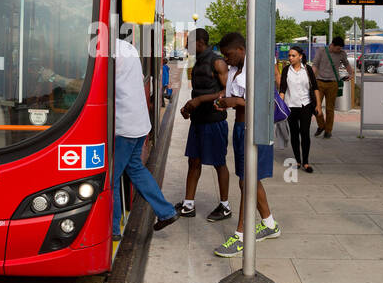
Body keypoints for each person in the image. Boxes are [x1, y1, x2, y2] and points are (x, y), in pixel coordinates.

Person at [213, 32, 279, 257]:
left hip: (256, 128)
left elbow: (262, 99)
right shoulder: (233, 70)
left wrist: (234, 101)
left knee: (247, 181)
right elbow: (234, 97)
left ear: (241, 49)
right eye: (223, 56)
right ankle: (269, 224)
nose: (226, 59)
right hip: (240, 128)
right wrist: (223, 100)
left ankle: (241, 235)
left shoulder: (256, 66)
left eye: (229, 54)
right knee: (248, 180)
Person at [112, 36, 177, 237]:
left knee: (111, 179)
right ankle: (166, 212)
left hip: (124, 126)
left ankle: (112, 229)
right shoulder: (128, 48)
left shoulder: (108, 51)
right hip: (140, 123)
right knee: (136, 168)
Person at [176, 28, 232, 221]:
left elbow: (227, 91)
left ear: (200, 42)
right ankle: (188, 204)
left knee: (219, 163)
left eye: (189, 43)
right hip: (198, 121)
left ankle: (225, 206)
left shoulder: (217, 61)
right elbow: (198, 91)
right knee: (193, 161)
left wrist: (200, 100)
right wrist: (188, 107)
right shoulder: (198, 61)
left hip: (214, 122)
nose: (186, 46)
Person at [278, 46, 322, 173]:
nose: (290, 58)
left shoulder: (307, 70)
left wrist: (318, 105)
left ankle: (306, 162)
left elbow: (315, 88)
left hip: (306, 105)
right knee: (294, 133)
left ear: (300, 56)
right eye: (289, 55)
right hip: (290, 105)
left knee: (305, 132)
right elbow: (282, 89)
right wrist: (280, 105)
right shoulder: (286, 70)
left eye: (293, 55)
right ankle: (297, 160)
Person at [311, 35, 354, 138]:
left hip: (333, 83)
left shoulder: (342, 53)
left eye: (341, 49)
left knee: (330, 108)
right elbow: (315, 65)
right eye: (338, 48)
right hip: (319, 82)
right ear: (332, 45)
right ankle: (321, 125)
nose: (339, 50)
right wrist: (311, 79)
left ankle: (328, 131)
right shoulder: (321, 51)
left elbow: (347, 64)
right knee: (316, 107)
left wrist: (351, 74)